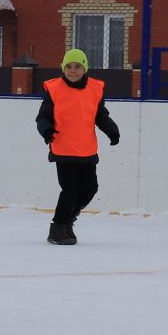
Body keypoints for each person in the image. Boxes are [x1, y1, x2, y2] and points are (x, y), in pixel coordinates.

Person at [35, 47, 120, 245]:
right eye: (69, 66)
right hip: (63, 147)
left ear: (85, 68)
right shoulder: (54, 89)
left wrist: (112, 130)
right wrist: (46, 130)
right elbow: (43, 116)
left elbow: (101, 115)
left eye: (78, 66)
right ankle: (57, 227)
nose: (73, 71)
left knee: (90, 188)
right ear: (63, 68)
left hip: (87, 148)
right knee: (70, 189)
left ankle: (68, 220)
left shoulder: (94, 89)